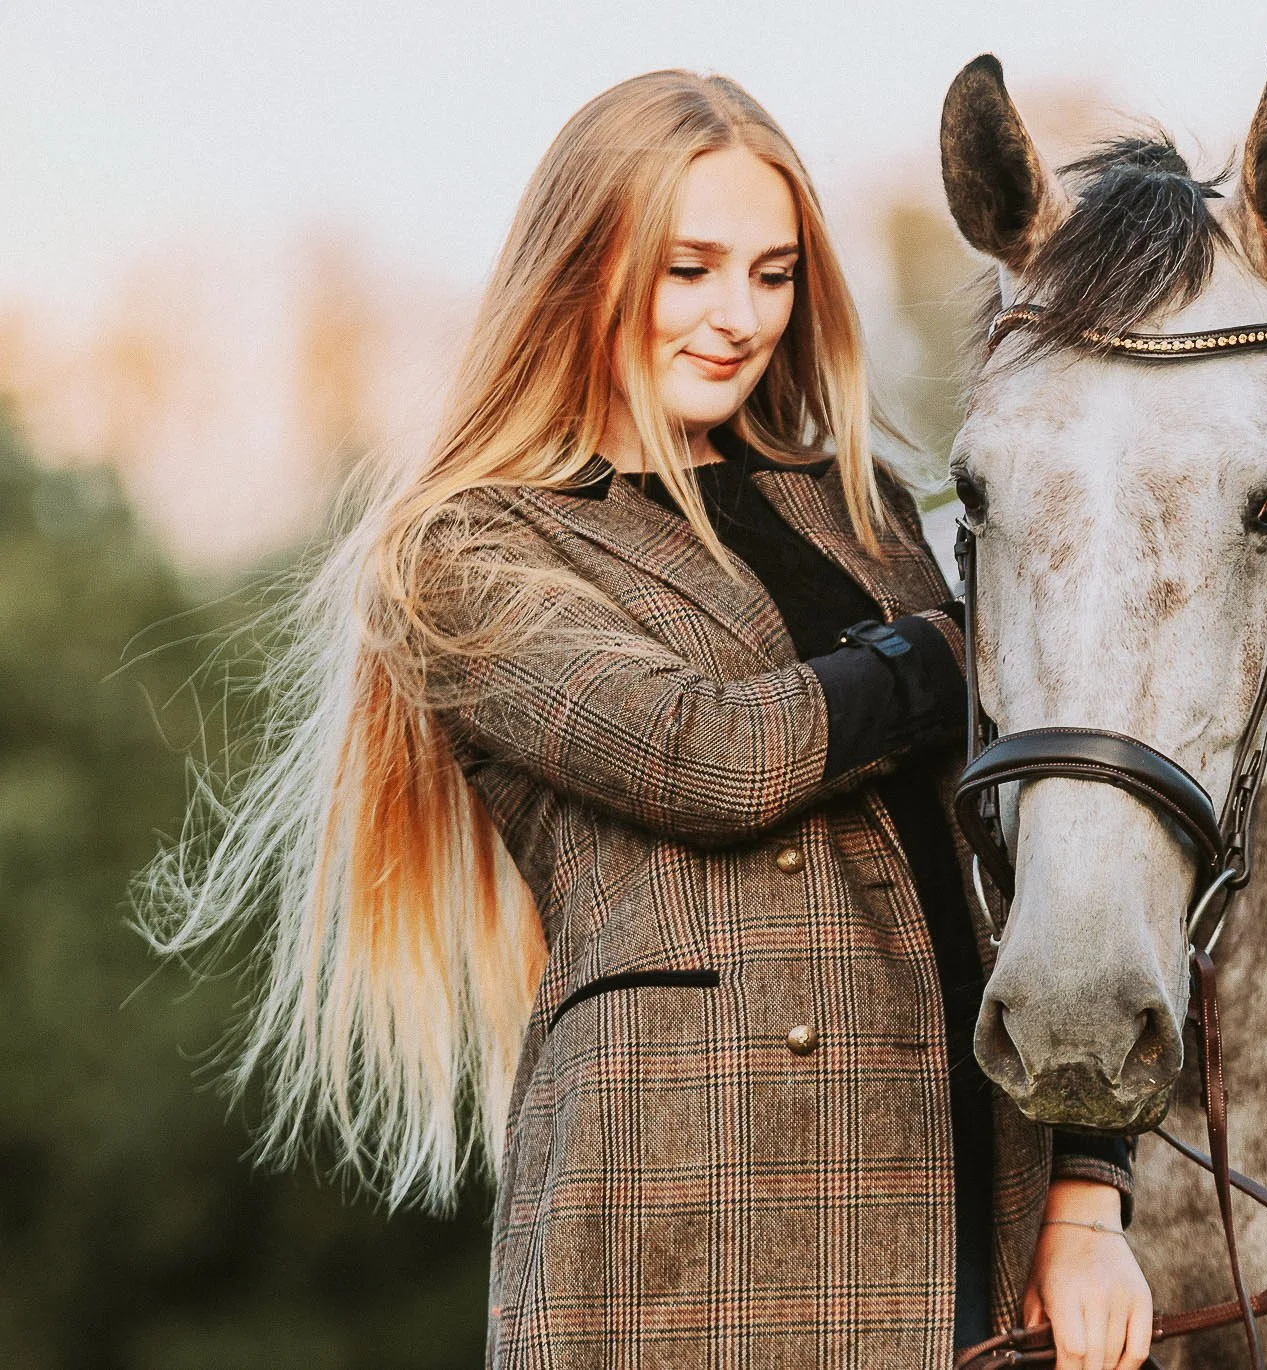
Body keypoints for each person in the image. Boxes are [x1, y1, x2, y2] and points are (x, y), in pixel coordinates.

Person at [140, 70, 1155, 1369]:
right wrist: (968, 647)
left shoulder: (862, 507)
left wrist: (1088, 1193)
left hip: (974, 1203)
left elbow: (1037, 857)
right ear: (584, 264)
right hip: (685, 1241)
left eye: (774, 274)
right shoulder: (470, 551)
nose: (741, 317)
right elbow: (706, 756)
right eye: (690, 270)